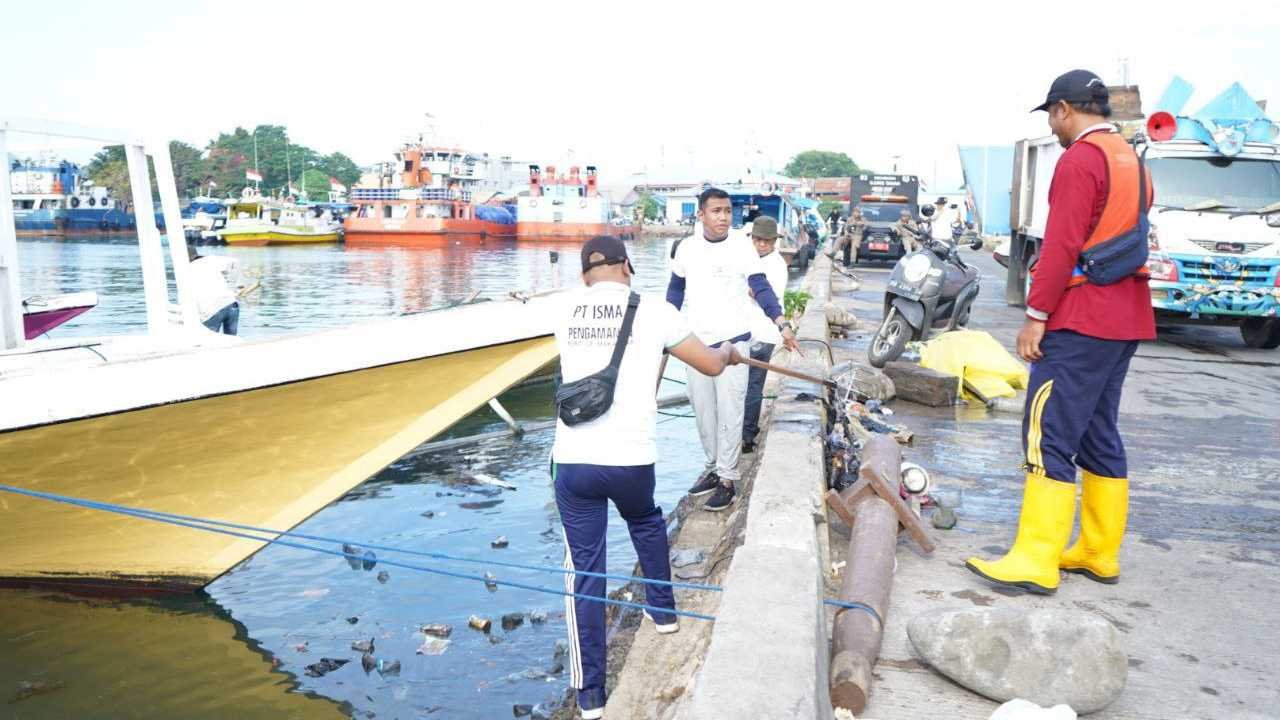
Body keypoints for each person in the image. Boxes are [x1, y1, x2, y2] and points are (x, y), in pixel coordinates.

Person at [966, 69, 1155, 594]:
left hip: (1081, 317)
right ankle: (1098, 549)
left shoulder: (1080, 159)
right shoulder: (1131, 161)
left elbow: (1061, 246)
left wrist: (1036, 315)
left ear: (1066, 109)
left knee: (1047, 429)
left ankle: (1035, 557)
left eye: (1052, 115)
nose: (1052, 127)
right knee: (1098, 430)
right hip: (1125, 317)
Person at [553, 236, 741, 719]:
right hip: (632, 460)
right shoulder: (656, 311)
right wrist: (727, 353)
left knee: (584, 570)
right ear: (628, 266)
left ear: (583, 276)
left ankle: (591, 697)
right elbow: (709, 365)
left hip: (574, 461)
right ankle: (663, 614)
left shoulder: (562, 308)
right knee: (645, 521)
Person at [667, 187, 799, 511]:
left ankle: (728, 479)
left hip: (734, 342)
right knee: (703, 414)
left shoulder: (742, 245)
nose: (724, 217)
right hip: (695, 344)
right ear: (701, 214)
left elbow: (761, 287)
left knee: (730, 412)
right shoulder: (686, 249)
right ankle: (713, 468)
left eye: (727, 211)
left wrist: (781, 322)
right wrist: (663, 332)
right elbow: (674, 292)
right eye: (716, 211)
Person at [741, 217, 789, 454]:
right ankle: (745, 431)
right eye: (758, 240)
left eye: (766, 241)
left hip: (764, 333)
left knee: (753, 385)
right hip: (748, 331)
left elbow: (758, 293)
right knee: (744, 384)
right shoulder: (751, 260)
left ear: (774, 242)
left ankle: (747, 436)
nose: (761, 245)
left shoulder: (775, 264)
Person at [187, 244, 241, 335]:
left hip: (212, 310)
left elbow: (187, 299)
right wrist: (234, 286)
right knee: (232, 341)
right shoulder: (211, 260)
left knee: (209, 343)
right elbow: (235, 262)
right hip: (231, 303)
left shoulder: (186, 269)